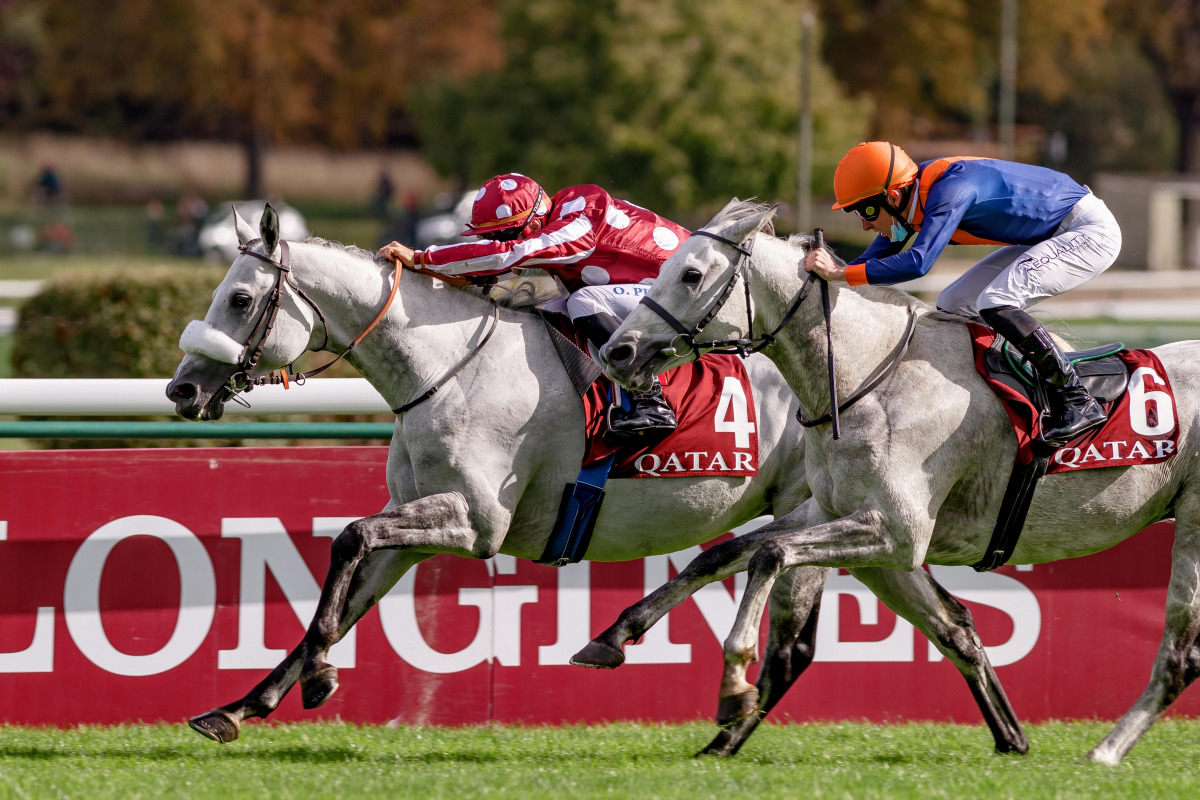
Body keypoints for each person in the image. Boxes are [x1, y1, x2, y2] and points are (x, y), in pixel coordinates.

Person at [804, 141, 1123, 445]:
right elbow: (874, 259)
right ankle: (997, 392)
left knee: (995, 301)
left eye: (867, 211)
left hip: (1087, 231)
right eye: (857, 214)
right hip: (1049, 235)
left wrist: (840, 273)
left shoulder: (949, 191)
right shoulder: (912, 199)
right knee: (953, 303)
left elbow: (918, 263)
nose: (864, 225)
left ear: (894, 195)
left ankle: (1077, 399)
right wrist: (833, 275)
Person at [379, 173, 688, 442]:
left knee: (583, 301)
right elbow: (487, 269)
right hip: (659, 287)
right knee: (551, 309)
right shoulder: (557, 215)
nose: (496, 241)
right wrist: (420, 270)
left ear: (534, 221)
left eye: (501, 234)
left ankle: (650, 401)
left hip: (687, 290)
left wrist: (422, 257)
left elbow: (510, 254)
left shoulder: (578, 222)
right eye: (489, 236)